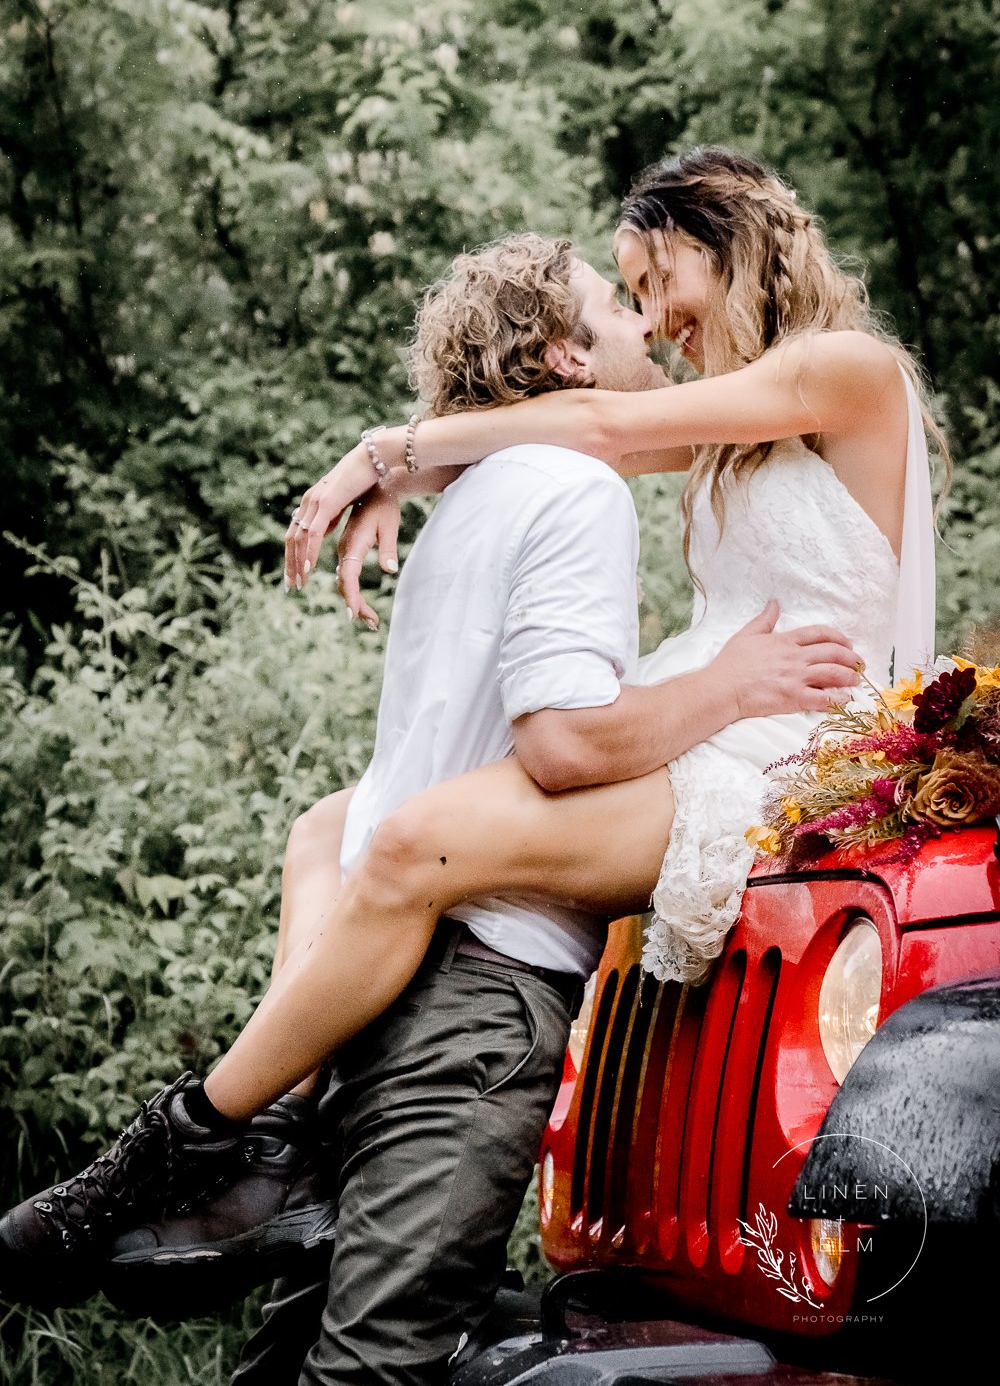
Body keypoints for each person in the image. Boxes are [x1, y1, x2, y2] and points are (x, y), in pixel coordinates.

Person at [0, 226, 862, 1370]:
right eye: (616, 306)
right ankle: (177, 1145)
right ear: (562, 355)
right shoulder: (572, 492)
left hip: (378, 992)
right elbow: (559, 743)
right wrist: (726, 686)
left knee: (295, 1356)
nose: (643, 325)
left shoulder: (474, 503)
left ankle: (217, 1144)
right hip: (478, 1008)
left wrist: (400, 460)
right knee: (375, 1365)